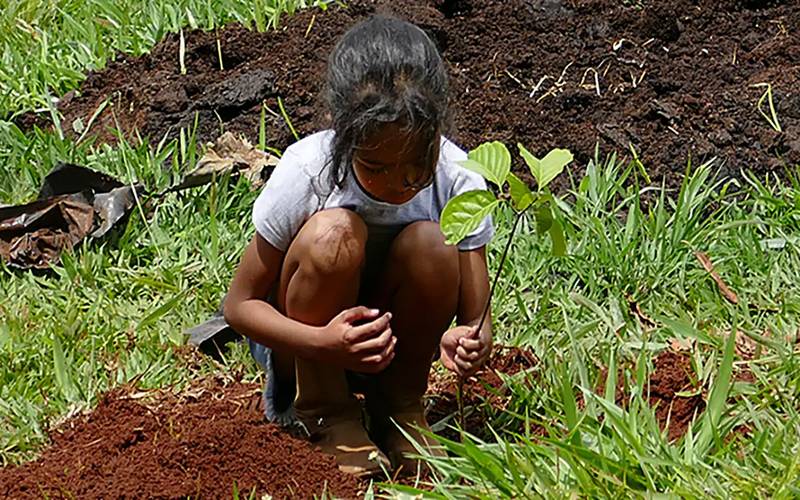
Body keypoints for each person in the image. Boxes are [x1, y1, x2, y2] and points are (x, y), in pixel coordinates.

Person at [223, 14, 494, 478]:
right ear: (343, 133)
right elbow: (239, 306)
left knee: (433, 243)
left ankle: (400, 409)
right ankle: (327, 412)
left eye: (416, 163)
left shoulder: (458, 177)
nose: (400, 183)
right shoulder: (310, 170)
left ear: (438, 132)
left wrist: (469, 339)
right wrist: (323, 343)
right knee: (335, 234)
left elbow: (478, 317)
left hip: (393, 348)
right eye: (377, 167)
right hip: (307, 347)